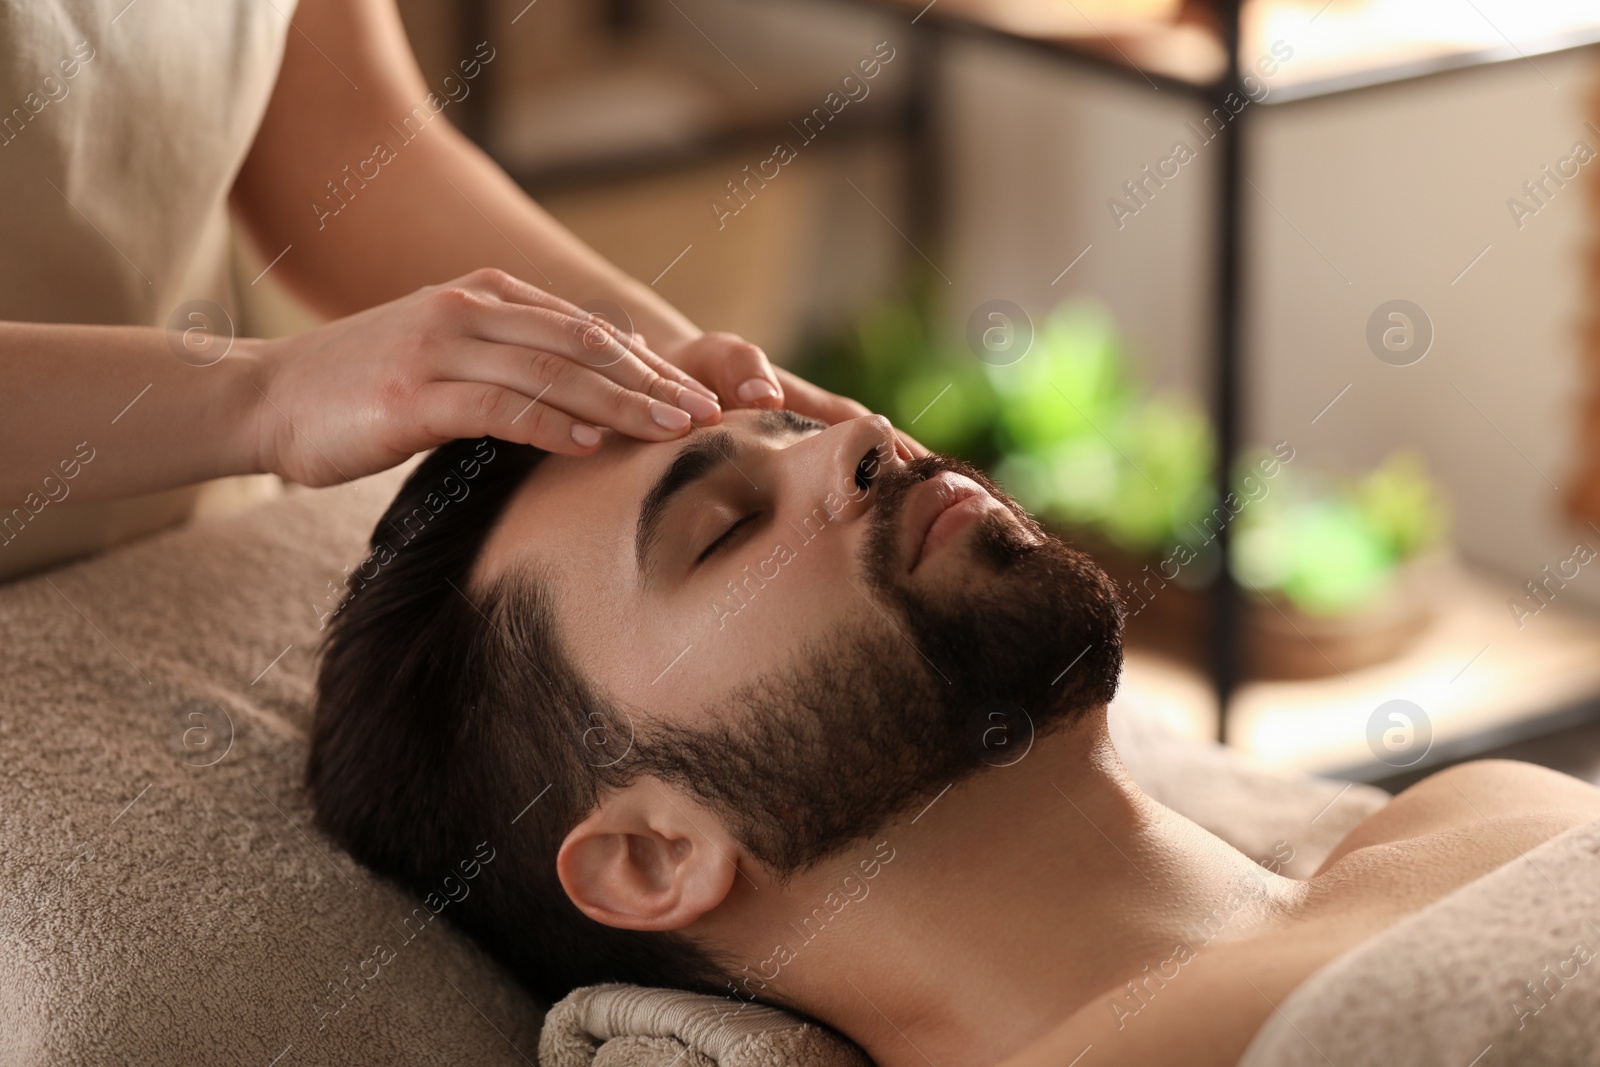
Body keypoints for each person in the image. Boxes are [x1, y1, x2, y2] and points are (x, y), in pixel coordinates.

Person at [308, 409, 1600, 1067]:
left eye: (799, 423)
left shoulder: (1470, 808)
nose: (861, 438)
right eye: (723, 529)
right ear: (653, 852)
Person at [0, 0, 890, 583]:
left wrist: (640, 351)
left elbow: (355, 147)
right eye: (716, 539)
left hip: (198, 545)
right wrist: (263, 397)